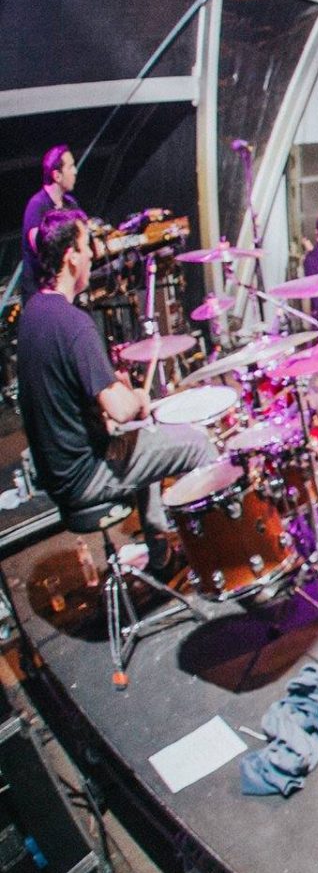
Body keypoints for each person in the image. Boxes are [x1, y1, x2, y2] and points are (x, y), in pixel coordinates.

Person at [16, 209, 216, 569]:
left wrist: (113, 399)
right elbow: (122, 409)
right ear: (71, 257)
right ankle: (219, 561)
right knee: (199, 443)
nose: (93, 254)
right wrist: (136, 397)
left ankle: (160, 549)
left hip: (58, 475)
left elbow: (66, 397)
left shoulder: (34, 313)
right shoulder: (73, 324)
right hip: (87, 475)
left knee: (142, 434)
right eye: (87, 246)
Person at [21, 144, 83, 294]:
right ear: (57, 176)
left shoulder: (70, 203)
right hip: (40, 292)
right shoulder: (37, 205)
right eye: (70, 167)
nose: (75, 171)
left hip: (65, 289)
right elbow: (41, 248)